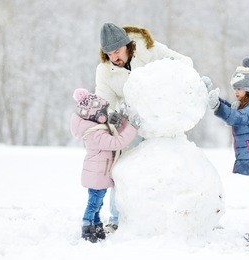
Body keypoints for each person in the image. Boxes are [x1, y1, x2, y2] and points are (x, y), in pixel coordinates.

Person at [95, 22, 193, 231]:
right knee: (123, 167)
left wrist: (185, 81)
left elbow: (184, 63)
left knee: (173, 164)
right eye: (109, 54)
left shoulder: (150, 49)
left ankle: (181, 215)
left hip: (161, 119)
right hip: (131, 124)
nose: (114, 58)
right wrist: (113, 115)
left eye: (117, 51)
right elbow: (104, 103)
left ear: (128, 45)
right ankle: (116, 217)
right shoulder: (104, 71)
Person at [205, 56, 249, 243]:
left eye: (239, 88)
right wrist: (213, 98)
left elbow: (237, 118)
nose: (235, 91)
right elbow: (232, 111)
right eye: (234, 87)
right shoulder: (245, 105)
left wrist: (219, 107)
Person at [70, 88, 141, 243]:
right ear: (96, 115)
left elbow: (114, 132)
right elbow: (116, 142)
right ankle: (87, 226)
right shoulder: (95, 133)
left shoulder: (97, 128)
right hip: (97, 174)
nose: (108, 113)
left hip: (99, 173)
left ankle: (96, 225)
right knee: (94, 203)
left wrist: (122, 120)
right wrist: (132, 128)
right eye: (104, 111)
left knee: (97, 201)